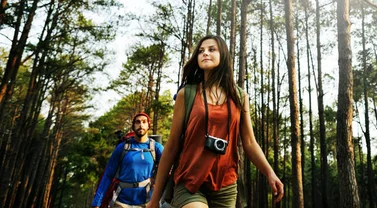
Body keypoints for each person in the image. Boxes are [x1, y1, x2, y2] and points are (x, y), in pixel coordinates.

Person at [147, 35, 284, 208]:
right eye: (201, 51)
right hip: (190, 181)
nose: (205, 53)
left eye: (212, 49)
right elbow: (172, 146)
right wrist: (154, 199)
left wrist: (270, 173)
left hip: (226, 184)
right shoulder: (187, 94)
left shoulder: (240, 97)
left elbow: (249, 142)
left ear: (223, 56)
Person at [92, 112, 164, 208]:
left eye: (144, 122)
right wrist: (96, 203)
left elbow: (169, 167)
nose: (141, 125)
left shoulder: (156, 147)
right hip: (121, 203)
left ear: (148, 125)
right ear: (133, 126)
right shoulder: (122, 147)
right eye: (137, 122)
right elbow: (108, 175)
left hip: (146, 202)